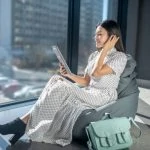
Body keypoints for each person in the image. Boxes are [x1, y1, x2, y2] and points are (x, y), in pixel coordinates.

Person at [0, 20, 127, 146]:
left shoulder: (120, 57)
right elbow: (87, 81)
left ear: (112, 37)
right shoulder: (94, 56)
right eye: (95, 34)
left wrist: (105, 50)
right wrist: (69, 75)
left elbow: (96, 73)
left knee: (62, 87)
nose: (96, 38)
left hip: (102, 96)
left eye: (100, 34)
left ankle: (21, 125)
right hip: (90, 91)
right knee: (56, 78)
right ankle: (22, 124)